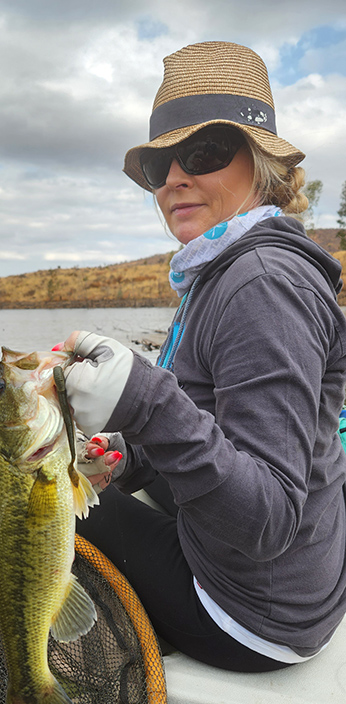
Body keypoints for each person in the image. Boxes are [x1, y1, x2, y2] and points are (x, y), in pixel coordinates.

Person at [57, 41, 346, 672]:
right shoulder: (224, 270)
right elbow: (221, 428)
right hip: (295, 591)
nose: (175, 180)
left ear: (262, 165)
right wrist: (130, 452)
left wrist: (143, 400)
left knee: (37, 518)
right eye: (162, 165)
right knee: (78, 494)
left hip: (254, 616)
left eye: (204, 153)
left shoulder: (260, 283)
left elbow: (268, 518)